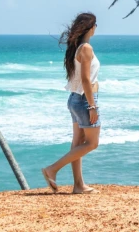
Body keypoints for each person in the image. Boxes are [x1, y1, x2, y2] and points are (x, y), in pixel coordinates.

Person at [42, 12, 100, 194]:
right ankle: (52, 169)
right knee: (92, 143)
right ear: (91, 28)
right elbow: (85, 80)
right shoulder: (86, 49)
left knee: (78, 143)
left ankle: (78, 185)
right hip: (84, 100)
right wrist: (92, 106)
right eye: (95, 25)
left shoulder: (78, 48)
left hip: (75, 99)